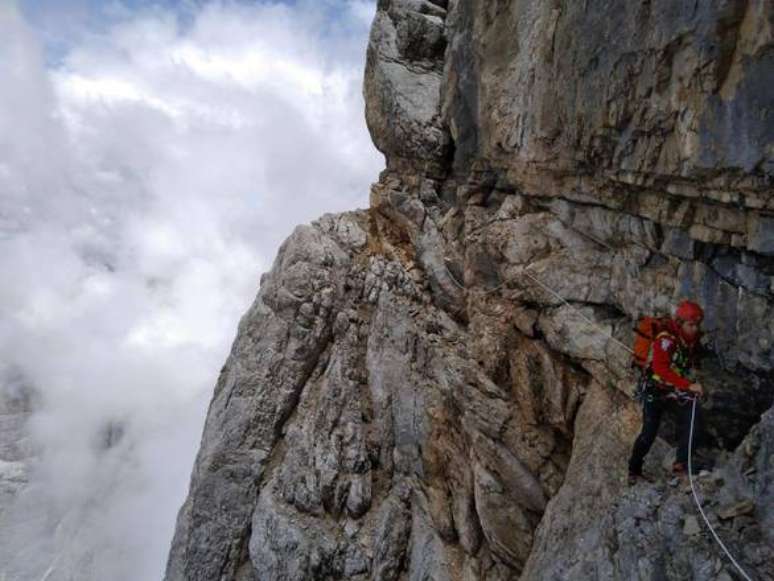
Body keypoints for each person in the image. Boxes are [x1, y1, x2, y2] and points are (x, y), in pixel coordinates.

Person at [627, 299, 707, 485]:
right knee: (648, 433)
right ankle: (634, 469)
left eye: (697, 325)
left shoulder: (690, 339)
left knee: (694, 417)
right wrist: (688, 386)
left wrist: (692, 380)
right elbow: (661, 369)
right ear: (680, 323)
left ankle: (681, 464)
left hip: (673, 390)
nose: (694, 329)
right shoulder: (665, 339)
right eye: (691, 325)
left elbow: (689, 361)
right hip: (655, 390)